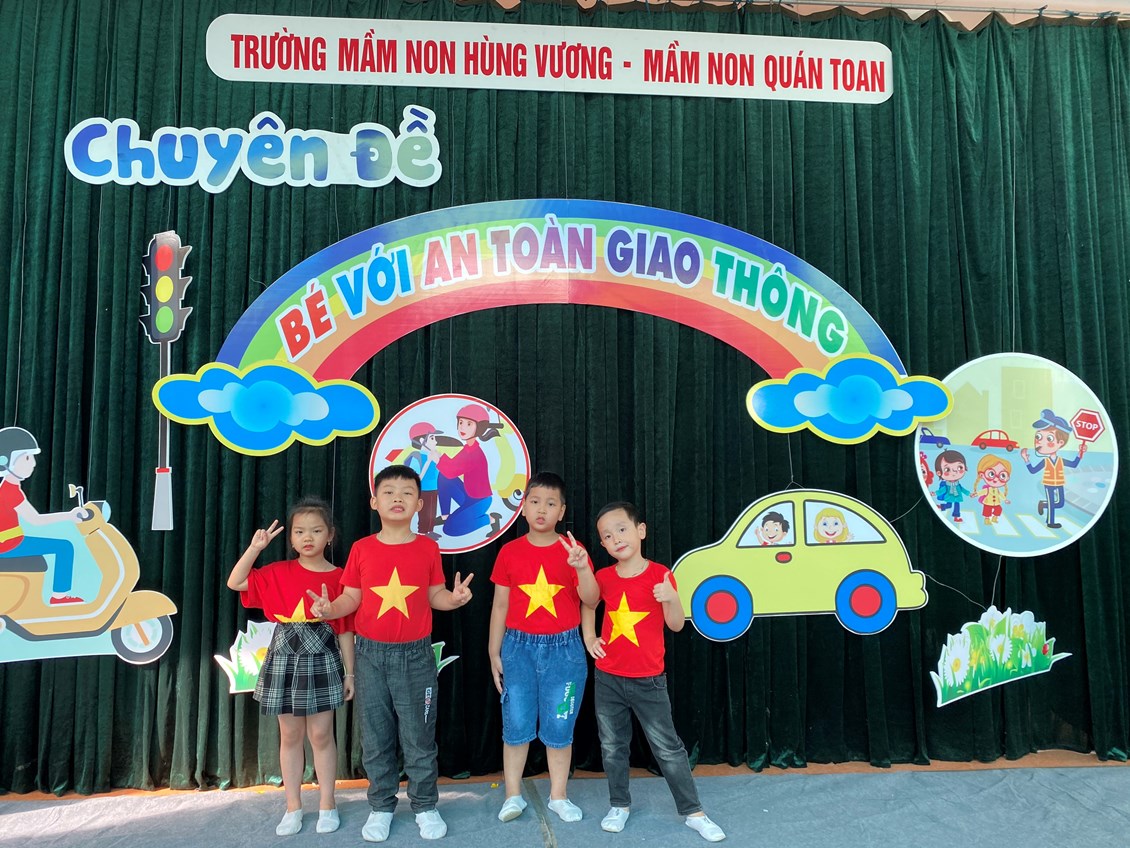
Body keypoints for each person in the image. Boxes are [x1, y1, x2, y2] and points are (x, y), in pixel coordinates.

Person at [309, 465, 474, 842]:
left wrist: (454, 599)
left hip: (416, 657)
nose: (397, 498)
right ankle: (381, 806)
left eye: (406, 492)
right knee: (376, 738)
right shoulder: (362, 548)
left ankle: (425, 805)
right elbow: (351, 598)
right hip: (370, 657)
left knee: (419, 737)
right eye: (388, 492)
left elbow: (435, 595)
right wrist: (329, 609)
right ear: (374, 502)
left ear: (419, 503)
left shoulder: (428, 548)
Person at [581, 502, 726, 843]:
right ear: (602, 544)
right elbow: (587, 603)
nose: (616, 539)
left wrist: (671, 598)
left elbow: (676, 625)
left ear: (640, 530)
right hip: (608, 678)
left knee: (668, 748)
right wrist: (590, 637)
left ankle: (694, 812)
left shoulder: (660, 574)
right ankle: (619, 805)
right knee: (613, 746)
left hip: (649, 680)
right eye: (607, 536)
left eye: (622, 529)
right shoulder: (603, 577)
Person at [226, 496, 355, 837]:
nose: (307, 537)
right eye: (299, 531)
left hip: (323, 657)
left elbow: (346, 629)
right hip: (284, 656)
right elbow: (236, 582)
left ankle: (327, 803)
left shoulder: (341, 577)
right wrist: (255, 548)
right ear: (291, 538)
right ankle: (293, 806)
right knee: (291, 734)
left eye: (316, 530)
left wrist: (350, 673)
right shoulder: (277, 572)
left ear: (330, 535)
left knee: (321, 734)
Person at [488, 472, 598, 824]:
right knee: (516, 724)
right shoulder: (509, 552)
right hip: (517, 648)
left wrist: (582, 568)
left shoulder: (574, 552)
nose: (541, 509)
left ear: (561, 511)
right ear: (523, 508)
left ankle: (558, 796)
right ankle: (512, 795)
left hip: (565, 651)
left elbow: (591, 599)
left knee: (559, 728)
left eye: (551, 504)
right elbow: (500, 606)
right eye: (535, 501)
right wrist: (493, 651)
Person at [0, 427, 87, 604]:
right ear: (6, 461)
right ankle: (59, 596)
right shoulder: (10, 491)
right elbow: (36, 520)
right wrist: (69, 516)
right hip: (9, 545)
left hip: (11, 541)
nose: (33, 463)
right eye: (27, 457)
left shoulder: (9, 488)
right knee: (64, 547)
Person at [425, 403, 503, 538]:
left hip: (480, 501)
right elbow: (450, 467)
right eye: (461, 422)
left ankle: (491, 519)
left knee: (449, 529)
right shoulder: (468, 448)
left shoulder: (474, 453)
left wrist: (435, 455)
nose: (462, 427)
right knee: (443, 477)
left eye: (469, 424)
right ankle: (445, 516)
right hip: (468, 495)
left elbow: (451, 471)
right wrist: (436, 453)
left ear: (479, 428)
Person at [1020, 409, 1085, 530]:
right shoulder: (1045, 461)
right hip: (1048, 484)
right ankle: (1050, 522)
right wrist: (1026, 459)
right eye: (1038, 436)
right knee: (1052, 504)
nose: (1040, 442)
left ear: (1060, 442)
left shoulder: (1061, 460)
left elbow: (1074, 464)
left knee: (1060, 503)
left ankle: (1042, 504)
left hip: (1059, 483)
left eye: (1049, 438)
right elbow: (1033, 470)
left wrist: (1080, 453)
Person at [934, 450, 970, 524]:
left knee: (957, 506)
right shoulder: (947, 484)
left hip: (957, 497)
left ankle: (956, 517)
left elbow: (962, 489)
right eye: (947, 469)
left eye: (959, 467)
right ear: (939, 473)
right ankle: (942, 506)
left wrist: (969, 494)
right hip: (949, 496)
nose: (954, 472)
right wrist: (935, 493)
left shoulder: (957, 484)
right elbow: (942, 490)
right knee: (949, 505)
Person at [975, 455, 1011, 525]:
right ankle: (987, 519)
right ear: (982, 475)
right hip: (988, 502)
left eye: (1002, 476)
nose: (996, 479)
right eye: (991, 474)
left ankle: (994, 518)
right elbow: (982, 492)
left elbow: (1000, 494)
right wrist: (976, 494)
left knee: (999, 509)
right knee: (987, 511)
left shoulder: (997, 490)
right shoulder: (987, 489)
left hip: (996, 502)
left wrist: (1005, 499)